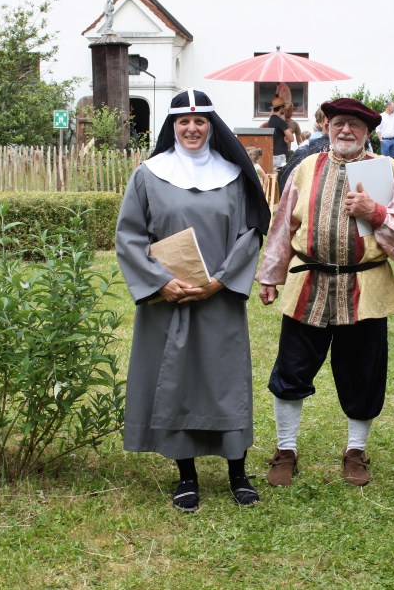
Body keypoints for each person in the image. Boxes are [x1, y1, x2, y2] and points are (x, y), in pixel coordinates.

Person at [115, 89, 271, 512]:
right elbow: (129, 236)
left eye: (200, 121)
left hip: (218, 298)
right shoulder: (149, 175)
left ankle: (237, 472)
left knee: (225, 383)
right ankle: (187, 476)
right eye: (183, 122)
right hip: (170, 298)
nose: (192, 128)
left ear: (211, 125)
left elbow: (249, 233)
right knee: (176, 381)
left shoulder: (234, 176)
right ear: (172, 126)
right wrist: (161, 282)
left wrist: (221, 281)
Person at [256, 97, 394, 488]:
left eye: (355, 125)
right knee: (291, 369)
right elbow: (282, 225)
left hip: (365, 287)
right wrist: (269, 275)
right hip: (307, 285)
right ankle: (286, 449)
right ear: (327, 127)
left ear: (367, 132)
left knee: (363, 374)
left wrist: (376, 212)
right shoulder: (305, 169)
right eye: (338, 123)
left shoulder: (391, 172)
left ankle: (355, 451)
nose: (345, 130)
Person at [267, 96, 294, 170]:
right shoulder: (280, 122)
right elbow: (291, 138)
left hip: (273, 154)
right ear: (281, 108)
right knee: (281, 177)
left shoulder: (271, 120)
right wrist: (288, 138)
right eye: (284, 107)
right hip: (280, 156)